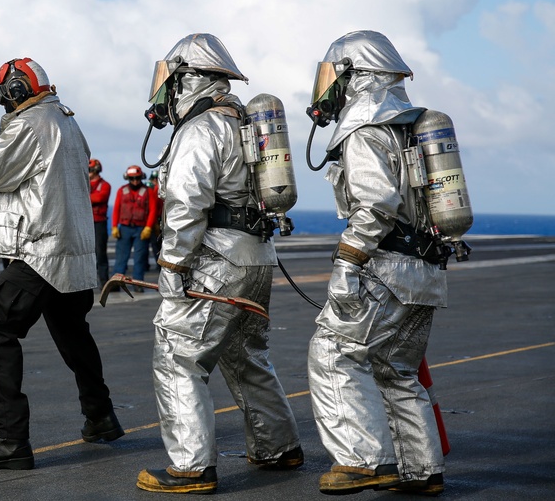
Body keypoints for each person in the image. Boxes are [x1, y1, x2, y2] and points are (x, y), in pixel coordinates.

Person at [137, 34, 302, 494]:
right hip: (257, 258)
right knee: (246, 354)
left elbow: (187, 205)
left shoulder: (201, 129)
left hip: (214, 260)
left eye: (171, 78)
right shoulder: (244, 123)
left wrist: (171, 267)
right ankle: (279, 447)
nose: (164, 90)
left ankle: (191, 466)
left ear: (191, 78)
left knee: (177, 356)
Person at [0, 57, 123, 471]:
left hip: (42, 249)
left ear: (15, 91)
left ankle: (10, 440)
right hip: (74, 250)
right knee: (72, 333)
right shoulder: (64, 120)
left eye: (4, 96)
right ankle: (100, 416)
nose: (3, 105)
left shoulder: (31, 124)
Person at [305, 30, 446, 495]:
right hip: (424, 272)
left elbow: (375, 207)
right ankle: (421, 470)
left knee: (333, 353)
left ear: (357, 76)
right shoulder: (409, 124)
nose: (329, 88)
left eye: (335, 76)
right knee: (396, 370)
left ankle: (364, 460)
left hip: (384, 268)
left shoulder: (365, 129)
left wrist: (346, 265)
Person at [111, 165, 156, 287]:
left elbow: (153, 210)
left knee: (140, 258)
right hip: (125, 228)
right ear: (128, 178)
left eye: (137, 178)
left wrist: (148, 227)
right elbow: (116, 209)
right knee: (121, 257)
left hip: (141, 229)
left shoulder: (148, 192)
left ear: (141, 177)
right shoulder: (122, 191)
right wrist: (114, 226)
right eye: (132, 178)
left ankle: (138, 284)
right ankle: (116, 284)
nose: (135, 181)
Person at [88, 158, 111, 285]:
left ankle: (103, 281)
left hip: (99, 223)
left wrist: (86, 197)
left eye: (90, 170)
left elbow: (100, 197)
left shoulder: (105, 185)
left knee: (100, 252)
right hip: (86, 224)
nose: (88, 173)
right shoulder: (84, 184)